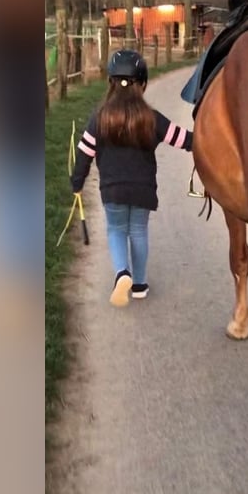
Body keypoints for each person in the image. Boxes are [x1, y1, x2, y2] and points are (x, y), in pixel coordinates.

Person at [71, 50, 193, 307]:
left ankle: (121, 274)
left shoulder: (100, 117)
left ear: (110, 83)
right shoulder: (152, 119)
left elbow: (84, 153)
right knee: (138, 231)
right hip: (143, 190)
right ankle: (138, 284)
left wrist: (77, 183)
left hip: (113, 190)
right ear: (144, 83)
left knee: (116, 230)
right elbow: (185, 140)